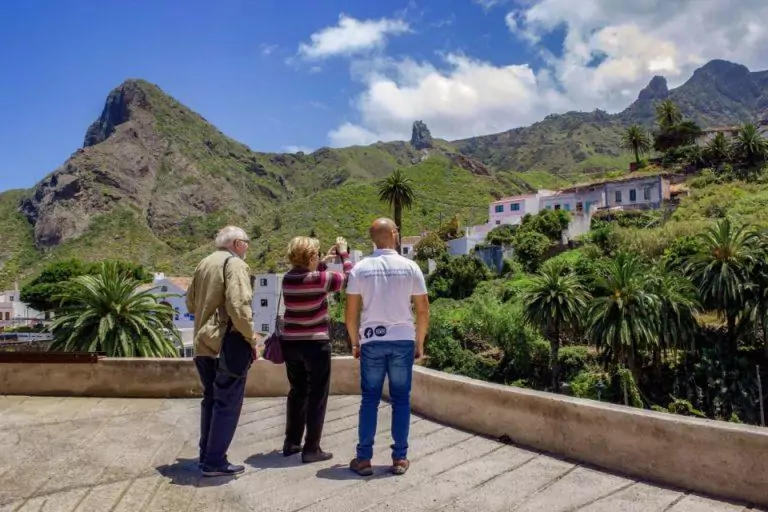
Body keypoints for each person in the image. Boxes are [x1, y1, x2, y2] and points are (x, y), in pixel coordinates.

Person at [345, 218, 430, 476]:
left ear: (373, 239)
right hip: (403, 339)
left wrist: (355, 342)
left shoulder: (359, 269)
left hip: (371, 340)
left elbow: (350, 313)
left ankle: (363, 459)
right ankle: (400, 458)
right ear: (394, 234)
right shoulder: (410, 267)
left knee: (369, 399)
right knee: (401, 399)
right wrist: (420, 341)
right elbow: (423, 309)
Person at [186, 226, 258, 477]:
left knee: (211, 399)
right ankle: (215, 462)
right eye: (246, 242)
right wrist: (251, 337)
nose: (248, 247)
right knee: (228, 402)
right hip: (227, 344)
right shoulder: (235, 264)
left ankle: (206, 454)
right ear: (237, 243)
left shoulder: (203, 263)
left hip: (203, 343)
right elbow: (239, 305)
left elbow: (190, 303)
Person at [281, 235, 353, 463]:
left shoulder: (287, 279)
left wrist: (322, 261)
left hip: (291, 343)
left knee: (297, 392)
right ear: (311, 256)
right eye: (317, 254)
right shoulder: (321, 279)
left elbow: (310, 275)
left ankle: (292, 442)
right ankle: (311, 448)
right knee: (317, 396)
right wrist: (343, 254)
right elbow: (350, 278)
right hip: (315, 343)